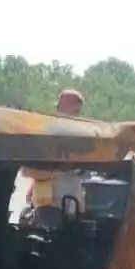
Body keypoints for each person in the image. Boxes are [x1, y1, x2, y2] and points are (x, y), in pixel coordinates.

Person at [18, 90, 87, 227]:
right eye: (74, 111)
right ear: (62, 109)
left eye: (78, 112)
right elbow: (26, 171)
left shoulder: (80, 138)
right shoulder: (45, 137)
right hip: (49, 210)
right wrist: (61, 171)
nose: (77, 116)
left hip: (72, 210)